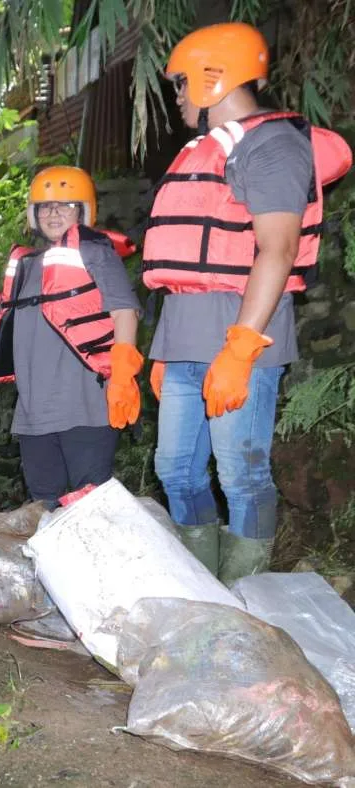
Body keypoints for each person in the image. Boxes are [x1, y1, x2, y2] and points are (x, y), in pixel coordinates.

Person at [143, 22, 351, 583]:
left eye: (183, 83)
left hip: (243, 334)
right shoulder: (203, 151)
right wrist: (164, 350)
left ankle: (246, 591)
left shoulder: (273, 144)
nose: (180, 96)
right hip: (185, 335)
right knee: (177, 471)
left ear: (216, 78)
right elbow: (184, 266)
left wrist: (239, 349)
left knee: (241, 474)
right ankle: (203, 585)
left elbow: (278, 249)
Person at [0, 166, 143, 509]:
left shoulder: (96, 252)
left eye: (65, 205)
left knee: (90, 505)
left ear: (84, 211)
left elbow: (124, 311)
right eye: (45, 206)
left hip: (86, 406)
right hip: (34, 413)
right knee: (43, 506)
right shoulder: (24, 265)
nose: (53, 212)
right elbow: (2, 326)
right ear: (33, 214)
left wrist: (124, 375)